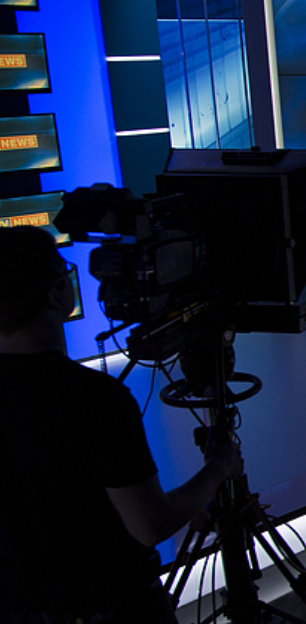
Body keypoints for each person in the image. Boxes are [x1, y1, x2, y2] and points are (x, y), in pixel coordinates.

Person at [0, 226, 243, 622]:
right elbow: (151, 525)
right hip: (113, 607)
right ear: (57, 295)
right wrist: (219, 466)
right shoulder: (95, 399)